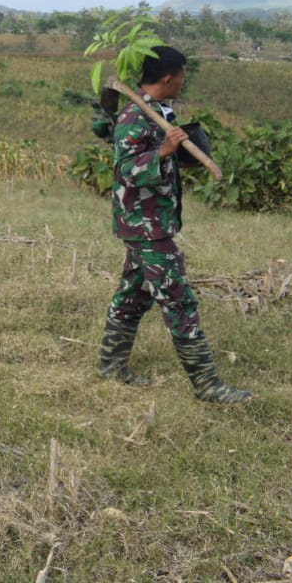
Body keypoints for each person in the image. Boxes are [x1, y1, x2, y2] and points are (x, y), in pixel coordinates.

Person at [97, 44, 252, 404]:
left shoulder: (155, 112)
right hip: (146, 225)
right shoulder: (134, 119)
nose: (184, 81)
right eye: (182, 75)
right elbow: (126, 171)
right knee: (179, 302)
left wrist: (173, 150)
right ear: (168, 78)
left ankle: (111, 367)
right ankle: (209, 386)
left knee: (133, 297)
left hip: (151, 223)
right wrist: (164, 151)